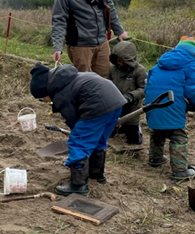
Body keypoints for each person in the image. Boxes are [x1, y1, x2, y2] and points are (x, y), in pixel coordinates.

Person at [30, 62, 126, 196]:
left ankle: (78, 184)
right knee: (98, 140)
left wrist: (77, 134)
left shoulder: (60, 93)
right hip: (116, 101)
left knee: (78, 142)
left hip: (97, 105)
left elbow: (73, 119)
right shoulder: (68, 79)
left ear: (44, 90)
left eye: (43, 97)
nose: (45, 101)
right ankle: (96, 174)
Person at [145, 36, 195, 180]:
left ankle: (155, 158)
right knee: (178, 136)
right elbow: (192, 91)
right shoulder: (189, 66)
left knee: (157, 132)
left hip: (152, 103)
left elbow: (148, 83)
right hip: (170, 103)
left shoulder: (159, 63)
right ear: (194, 54)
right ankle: (180, 170)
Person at [108, 41, 147, 144]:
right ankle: (118, 127)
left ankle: (136, 130)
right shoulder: (112, 69)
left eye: (123, 61)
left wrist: (131, 96)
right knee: (108, 135)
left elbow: (144, 89)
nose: (120, 63)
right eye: (118, 60)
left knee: (134, 141)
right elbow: (106, 84)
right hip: (114, 108)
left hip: (131, 110)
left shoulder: (139, 71)